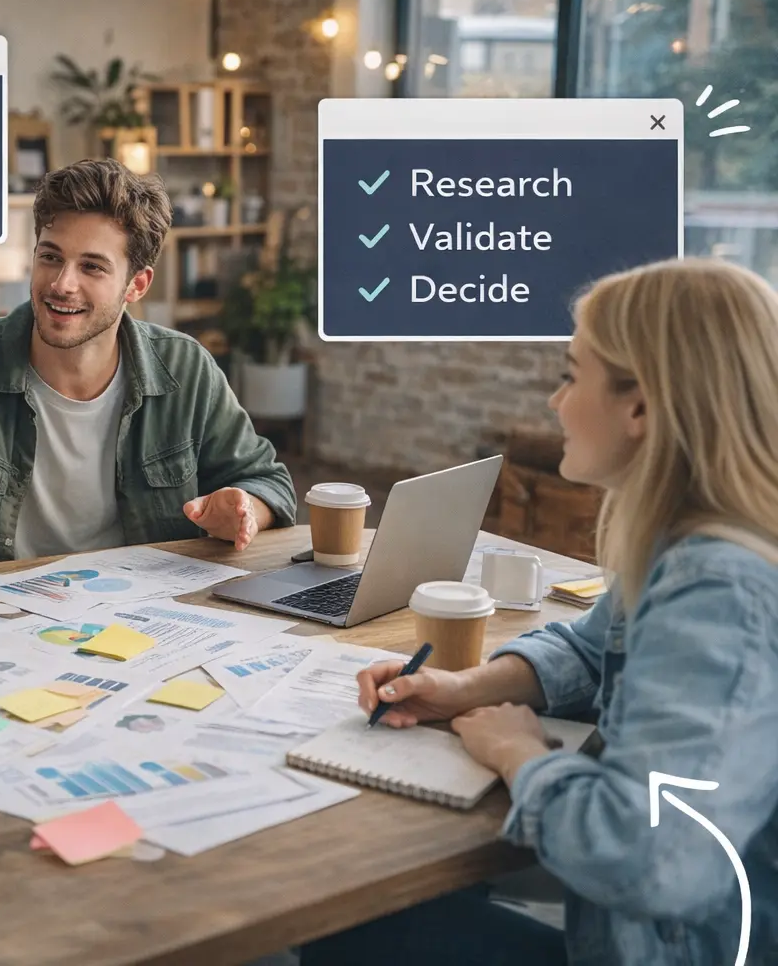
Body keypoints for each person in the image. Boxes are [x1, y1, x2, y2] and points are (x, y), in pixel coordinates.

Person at [301, 257, 778, 966]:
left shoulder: (720, 591)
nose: (555, 402)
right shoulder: (685, 540)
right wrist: (467, 687)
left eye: (570, 374)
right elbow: (592, 650)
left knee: (355, 929)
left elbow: (650, 859)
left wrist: (517, 751)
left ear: (641, 406)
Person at [0, 158, 296, 574]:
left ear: (136, 285)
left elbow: (268, 483)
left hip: (136, 622)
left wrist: (243, 509)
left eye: (92, 267)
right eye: (50, 256)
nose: (61, 284)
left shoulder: (184, 367)